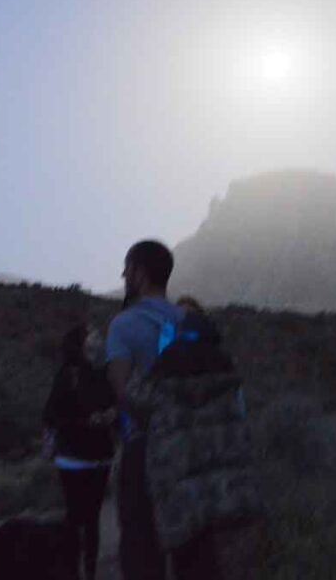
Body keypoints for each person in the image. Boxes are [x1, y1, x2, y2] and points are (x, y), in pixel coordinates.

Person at [106, 240, 224, 580]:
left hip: (146, 450)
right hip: (195, 448)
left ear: (140, 275)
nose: (123, 275)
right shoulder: (192, 322)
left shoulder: (124, 325)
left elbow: (122, 392)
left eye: (127, 269)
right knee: (195, 549)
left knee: (142, 553)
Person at [42, 324, 116, 580]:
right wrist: (87, 421)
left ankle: (87, 570)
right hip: (76, 457)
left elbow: (116, 405)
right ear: (81, 344)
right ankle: (74, 570)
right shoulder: (68, 376)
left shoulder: (105, 373)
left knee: (89, 518)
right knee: (78, 518)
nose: (98, 337)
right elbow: (52, 415)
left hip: (96, 457)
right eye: (92, 334)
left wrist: (111, 415)